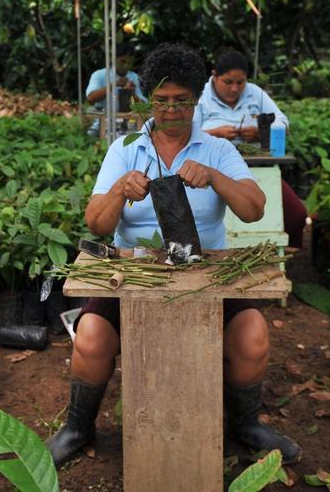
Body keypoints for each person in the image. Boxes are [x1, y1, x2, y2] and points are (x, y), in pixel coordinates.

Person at [47, 43, 302, 467]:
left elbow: (254, 208)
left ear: (196, 99)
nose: (171, 111)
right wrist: (118, 189)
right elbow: (96, 224)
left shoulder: (216, 149)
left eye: (182, 101)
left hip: (207, 273)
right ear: (150, 99)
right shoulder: (126, 148)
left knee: (253, 334)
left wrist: (215, 177)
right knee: (91, 337)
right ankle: (77, 428)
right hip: (135, 273)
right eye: (162, 101)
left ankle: (245, 424)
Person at [195, 49, 308, 248]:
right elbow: (188, 133)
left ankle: (289, 258)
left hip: (258, 170)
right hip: (212, 172)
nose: (235, 89)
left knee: (297, 215)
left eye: (241, 82)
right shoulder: (200, 96)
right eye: (228, 82)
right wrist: (215, 134)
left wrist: (259, 131)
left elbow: (282, 122)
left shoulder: (255, 93)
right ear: (214, 76)